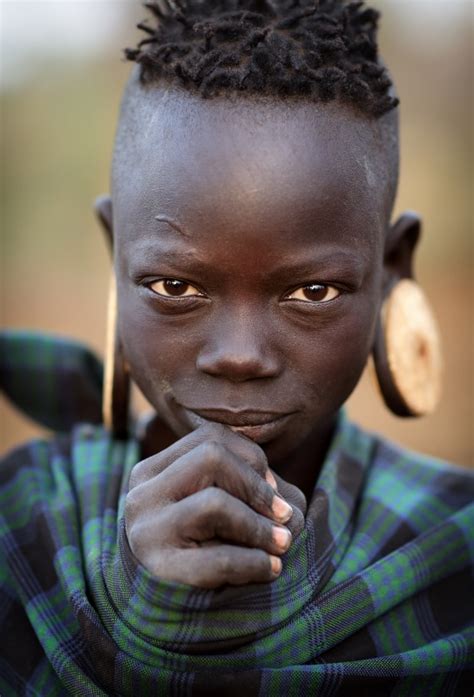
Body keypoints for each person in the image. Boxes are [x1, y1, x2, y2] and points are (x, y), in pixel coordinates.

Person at [0, 1, 472, 695]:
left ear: (392, 266)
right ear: (114, 256)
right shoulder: (20, 522)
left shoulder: (453, 548)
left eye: (312, 292)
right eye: (173, 285)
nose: (241, 355)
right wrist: (142, 596)